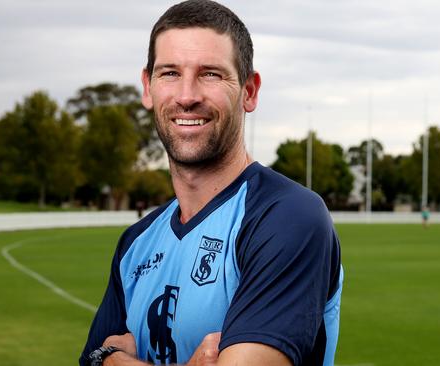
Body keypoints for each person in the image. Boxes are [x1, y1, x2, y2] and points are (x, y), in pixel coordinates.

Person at [79, 1, 343, 365]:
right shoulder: (135, 243)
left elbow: (99, 357)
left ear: (249, 91)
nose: (187, 96)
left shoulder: (289, 217)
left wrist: (114, 361)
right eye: (170, 73)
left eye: (211, 74)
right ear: (148, 87)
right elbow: (90, 358)